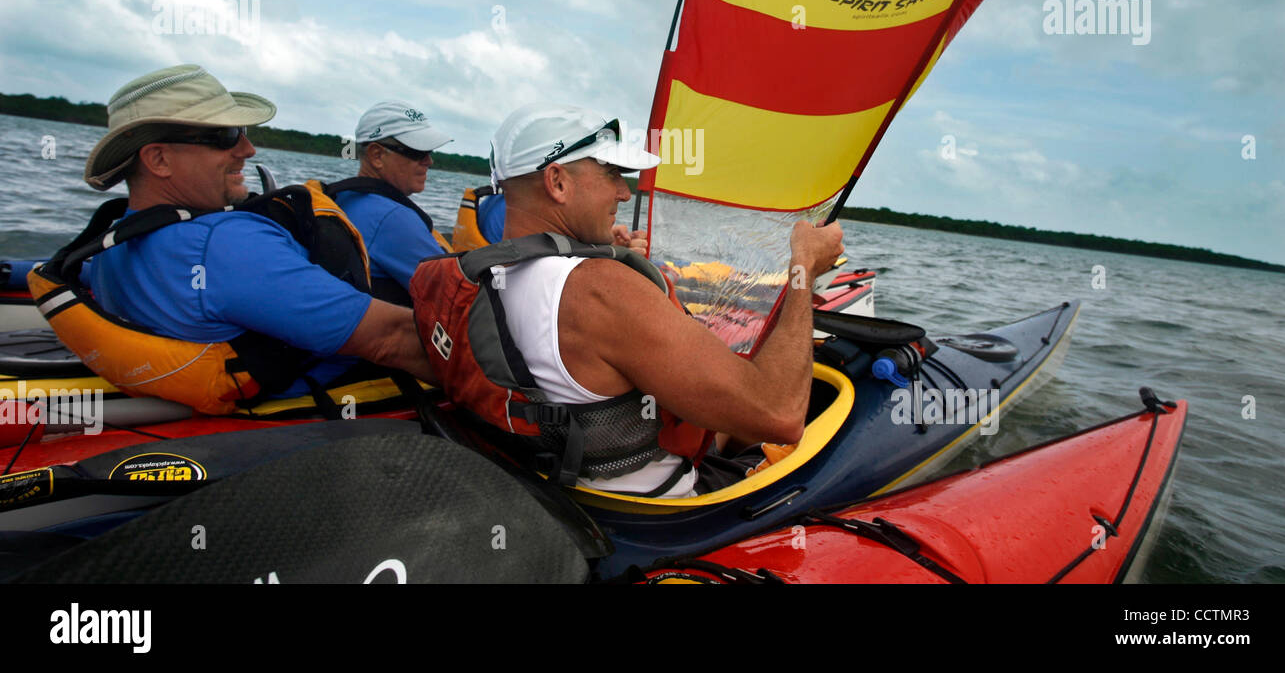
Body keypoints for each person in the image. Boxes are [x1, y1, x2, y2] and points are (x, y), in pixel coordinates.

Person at [411, 103, 844, 497]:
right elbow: (780, 413)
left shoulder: (485, 275)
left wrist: (601, 256)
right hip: (660, 520)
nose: (623, 193)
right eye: (611, 174)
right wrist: (804, 268)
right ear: (557, 181)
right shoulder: (600, 288)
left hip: (556, 492)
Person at [62, 64, 436, 410]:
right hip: (319, 408)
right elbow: (392, 338)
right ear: (159, 160)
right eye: (225, 136)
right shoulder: (226, 245)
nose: (248, 149)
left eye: (244, 133)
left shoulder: (113, 241)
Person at [327, 101, 453, 304]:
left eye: (430, 152)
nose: (429, 161)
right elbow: (455, 295)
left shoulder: (343, 198)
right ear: (377, 155)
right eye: (418, 152)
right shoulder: (391, 218)